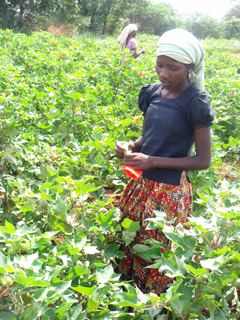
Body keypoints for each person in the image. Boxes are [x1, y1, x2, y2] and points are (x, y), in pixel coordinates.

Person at [114, 29, 214, 295]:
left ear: (190, 67)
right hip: (142, 185)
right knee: (131, 238)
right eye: (159, 65)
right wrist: (129, 147)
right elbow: (145, 138)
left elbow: (203, 160)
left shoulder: (195, 102)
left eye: (173, 68)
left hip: (169, 192)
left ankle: (155, 305)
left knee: (158, 251)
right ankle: (129, 297)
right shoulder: (153, 94)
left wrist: (152, 161)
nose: (164, 74)